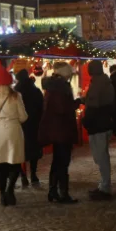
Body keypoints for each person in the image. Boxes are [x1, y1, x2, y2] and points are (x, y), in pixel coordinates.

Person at [39, 62, 80, 204]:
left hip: (54, 129)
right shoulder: (62, 87)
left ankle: (53, 190)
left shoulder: (51, 86)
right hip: (63, 129)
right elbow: (63, 108)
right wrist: (77, 103)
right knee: (63, 162)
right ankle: (63, 193)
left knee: (57, 161)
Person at [0, 66, 28, 206]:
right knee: (15, 162)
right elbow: (23, 117)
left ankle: (2, 194)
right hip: (13, 131)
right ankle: (10, 190)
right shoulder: (16, 96)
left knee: (0, 166)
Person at [83, 60, 115, 200]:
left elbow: (94, 103)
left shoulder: (99, 83)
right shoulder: (103, 82)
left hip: (99, 124)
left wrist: (85, 104)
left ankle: (105, 187)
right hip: (101, 123)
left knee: (101, 157)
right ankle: (104, 185)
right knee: (101, 156)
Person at [15, 69, 44, 188]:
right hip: (34, 125)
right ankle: (33, 175)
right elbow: (42, 108)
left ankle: (22, 175)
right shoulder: (36, 91)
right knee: (33, 152)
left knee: (19, 152)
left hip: (20, 125)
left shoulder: (16, 92)